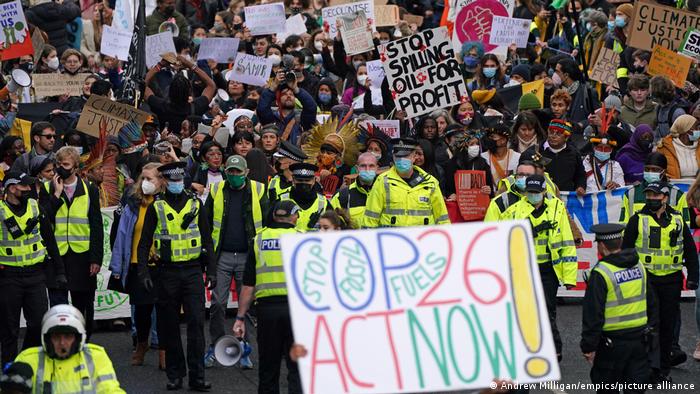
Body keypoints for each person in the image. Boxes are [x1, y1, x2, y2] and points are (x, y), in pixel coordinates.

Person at [136, 161, 216, 391]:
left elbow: (207, 239)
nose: (176, 185)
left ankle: (197, 376)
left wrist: (211, 270)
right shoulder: (156, 207)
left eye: (180, 181)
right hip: (166, 273)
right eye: (172, 181)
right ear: (165, 183)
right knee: (168, 326)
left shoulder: (195, 204)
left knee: (196, 325)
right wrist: (143, 271)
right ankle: (175, 374)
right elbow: (144, 243)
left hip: (192, 272)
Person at [621, 181, 699, 382]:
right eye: (649, 195)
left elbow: (690, 250)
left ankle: (663, 368)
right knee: (647, 325)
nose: (652, 199)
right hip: (646, 279)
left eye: (656, 196)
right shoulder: (637, 220)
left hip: (671, 281)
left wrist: (692, 277)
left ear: (664, 198)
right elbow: (626, 251)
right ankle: (647, 367)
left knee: (667, 325)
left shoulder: (678, 220)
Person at [502, 174, 578, 360]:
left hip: (547, 270)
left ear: (545, 191)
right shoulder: (513, 212)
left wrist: (569, 278)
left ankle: (553, 349)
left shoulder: (557, 209)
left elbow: (567, 243)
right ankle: (528, 349)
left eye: (537, 192)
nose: (533, 195)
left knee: (547, 310)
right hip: (523, 270)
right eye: (530, 192)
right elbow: (504, 241)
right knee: (525, 311)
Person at [204, 155, 268, 369]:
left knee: (246, 306)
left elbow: (266, 221)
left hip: (248, 256)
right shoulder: (216, 190)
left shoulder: (259, 190)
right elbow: (206, 222)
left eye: (237, 172)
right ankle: (215, 347)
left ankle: (244, 350)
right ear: (225, 171)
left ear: (246, 172)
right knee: (218, 304)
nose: (234, 176)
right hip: (222, 256)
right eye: (230, 171)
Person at [233, 200, 302, 394]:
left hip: (267, 311)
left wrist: (239, 317)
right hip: (296, 312)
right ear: (294, 217)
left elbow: (248, 285)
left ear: (274, 216)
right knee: (297, 369)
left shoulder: (258, 240)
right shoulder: (301, 239)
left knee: (268, 367)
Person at [0, 172, 65, 365]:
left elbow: (50, 241)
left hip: (36, 275)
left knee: (38, 324)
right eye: (24, 187)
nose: (29, 190)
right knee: (9, 329)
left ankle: (25, 360)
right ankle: (9, 371)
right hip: (8, 277)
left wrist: (60, 270)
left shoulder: (36, 208)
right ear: (12, 188)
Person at [581, 223, 655, 393]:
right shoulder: (639, 266)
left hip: (611, 345)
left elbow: (593, 314)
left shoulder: (601, 273)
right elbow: (652, 303)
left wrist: (588, 346)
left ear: (602, 246)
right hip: (639, 340)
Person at [41, 147, 103, 339]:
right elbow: (43, 221)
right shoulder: (46, 189)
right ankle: (60, 344)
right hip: (56, 256)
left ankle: (83, 342)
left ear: (76, 167)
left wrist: (96, 259)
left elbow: (96, 226)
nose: (61, 168)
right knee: (58, 307)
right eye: (58, 164)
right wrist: (56, 195)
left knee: (83, 306)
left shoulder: (89, 189)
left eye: (65, 165)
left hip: (82, 256)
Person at [109, 162, 165, 369]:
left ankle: (163, 351)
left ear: (161, 181)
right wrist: (117, 265)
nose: (144, 183)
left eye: (150, 179)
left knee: (164, 310)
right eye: (143, 178)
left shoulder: (166, 202)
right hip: (137, 263)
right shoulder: (132, 201)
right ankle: (141, 345)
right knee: (141, 311)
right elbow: (120, 233)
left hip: (161, 264)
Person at [14, 305, 124, 393]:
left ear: (78, 338)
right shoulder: (27, 359)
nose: (62, 343)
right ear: (47, 338)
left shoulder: (95, 356)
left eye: (68, 337)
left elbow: (111, 390)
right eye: (56, 337)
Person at [364, 138, 450, 228]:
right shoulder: (382, 181)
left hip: (421, 240)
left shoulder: (430, 183)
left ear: (414, 156)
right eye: (398, 157)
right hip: (391, 240)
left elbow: (442, 219)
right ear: (393, 157)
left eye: (406, 156)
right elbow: (370, 218)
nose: (401, 160)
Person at [619, 153, 688, 223]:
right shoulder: (631, 194)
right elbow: (623, 225)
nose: (650, 172)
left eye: (655, 170)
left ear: (664, 172)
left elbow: (685, 226)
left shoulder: (677, 195)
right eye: (647, 169)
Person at [257, 71, 317, 146]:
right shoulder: (271, 119)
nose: (288, 96)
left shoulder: (302, 120)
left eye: (292, 94)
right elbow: (262, 108)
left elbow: (311, 107)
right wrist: (274, 86)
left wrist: (296, 89)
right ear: (277, 101)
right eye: (284, 94)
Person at [277, 163, 331, 231]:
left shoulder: (324, 202)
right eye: (299, 180)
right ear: (293, 180)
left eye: (307, 180)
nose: (303, 184)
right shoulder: (281, 200)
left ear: (314, 181)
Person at [331, 152, 378, 228]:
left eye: (371, 166)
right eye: (363, 166)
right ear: (357, 169)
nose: (367, 169)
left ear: (377, 168)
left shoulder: (385, 192)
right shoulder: (342, 196)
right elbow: (332, 225)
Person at [542, 119, 586, 194]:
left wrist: (580, 186)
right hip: (543, 196)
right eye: (551, 132)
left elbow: (580, 174)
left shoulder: (574, 153)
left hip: (567, 198)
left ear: (566, 137)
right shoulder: (537, 151)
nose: (553, 136)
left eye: (558, 134)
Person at [657, 114, 700, 180]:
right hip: (674, 187)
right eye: (696, 128)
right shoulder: (664, 147)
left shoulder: (699, 146)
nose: (698, 130)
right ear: (686, 130)